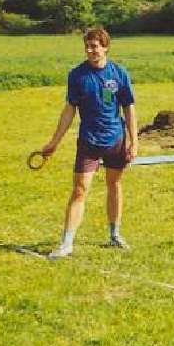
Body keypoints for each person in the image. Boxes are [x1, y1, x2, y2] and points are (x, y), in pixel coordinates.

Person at [41, 26, 138, 259]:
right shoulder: (77, 75)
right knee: (80, 189)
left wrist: (134, 141)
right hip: (88, 140)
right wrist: (54, 141)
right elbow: (69, 109)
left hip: (115, 139)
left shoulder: (119, 73)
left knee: (114, 184)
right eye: (87, 46)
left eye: (94, 46)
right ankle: (67, 243)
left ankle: (115, 234)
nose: (90, 50)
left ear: (105, 47)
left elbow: (129, 108)